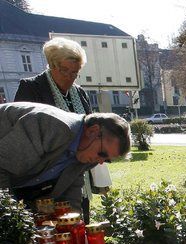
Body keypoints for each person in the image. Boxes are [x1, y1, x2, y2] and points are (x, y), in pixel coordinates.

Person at [15, 37, 110, 223]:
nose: (69, 77)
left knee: (77, 221)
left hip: (74, 174)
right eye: (64, 70)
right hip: (42, 177)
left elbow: (88, 131)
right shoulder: (32, 88)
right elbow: (23, 136)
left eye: (74, 73)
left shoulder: (80, 93)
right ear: (52, 65)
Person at [0, 102, 130, 209]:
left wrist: (75, 229)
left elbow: (71, 195)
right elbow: (2, 169)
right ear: (92, 131)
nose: (100, 162)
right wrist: (15, 217)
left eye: (106, 160)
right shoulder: (52, 126)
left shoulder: (87, 154)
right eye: (102, 153)